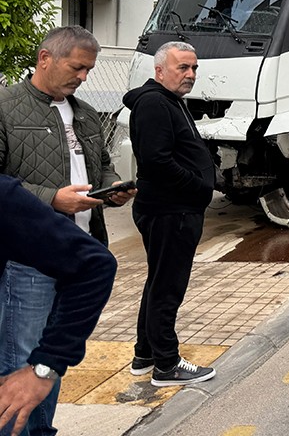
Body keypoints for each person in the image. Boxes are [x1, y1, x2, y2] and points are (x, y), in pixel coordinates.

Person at [0, 26, 133, 436]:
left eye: (89, 70)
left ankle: (42, 429)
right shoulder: (6, 108)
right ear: (45, 58)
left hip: (81, 251)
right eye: (77, 67)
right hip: (29, 260)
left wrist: (112, 188)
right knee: (24, 359)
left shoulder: (87, 113)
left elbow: (102, 164)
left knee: (53, 355)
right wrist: (52, 199)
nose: (83, 76)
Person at [123, 42, 217, 387]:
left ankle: (145, 354)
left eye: (194, 68)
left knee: (158, 282)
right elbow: (156, 161)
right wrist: (198, 186)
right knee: (168, 288)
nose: (190, 74)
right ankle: (167, 365)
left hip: (173, 208)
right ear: (159, 70)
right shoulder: (153, 104)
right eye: (183, 68)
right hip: (170, 210)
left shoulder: (168, 101)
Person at [0, 176, 116, 436]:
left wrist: (45, 366)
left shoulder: (5, 198)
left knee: (20, 367)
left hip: (42, 251)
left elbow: (94, 265)